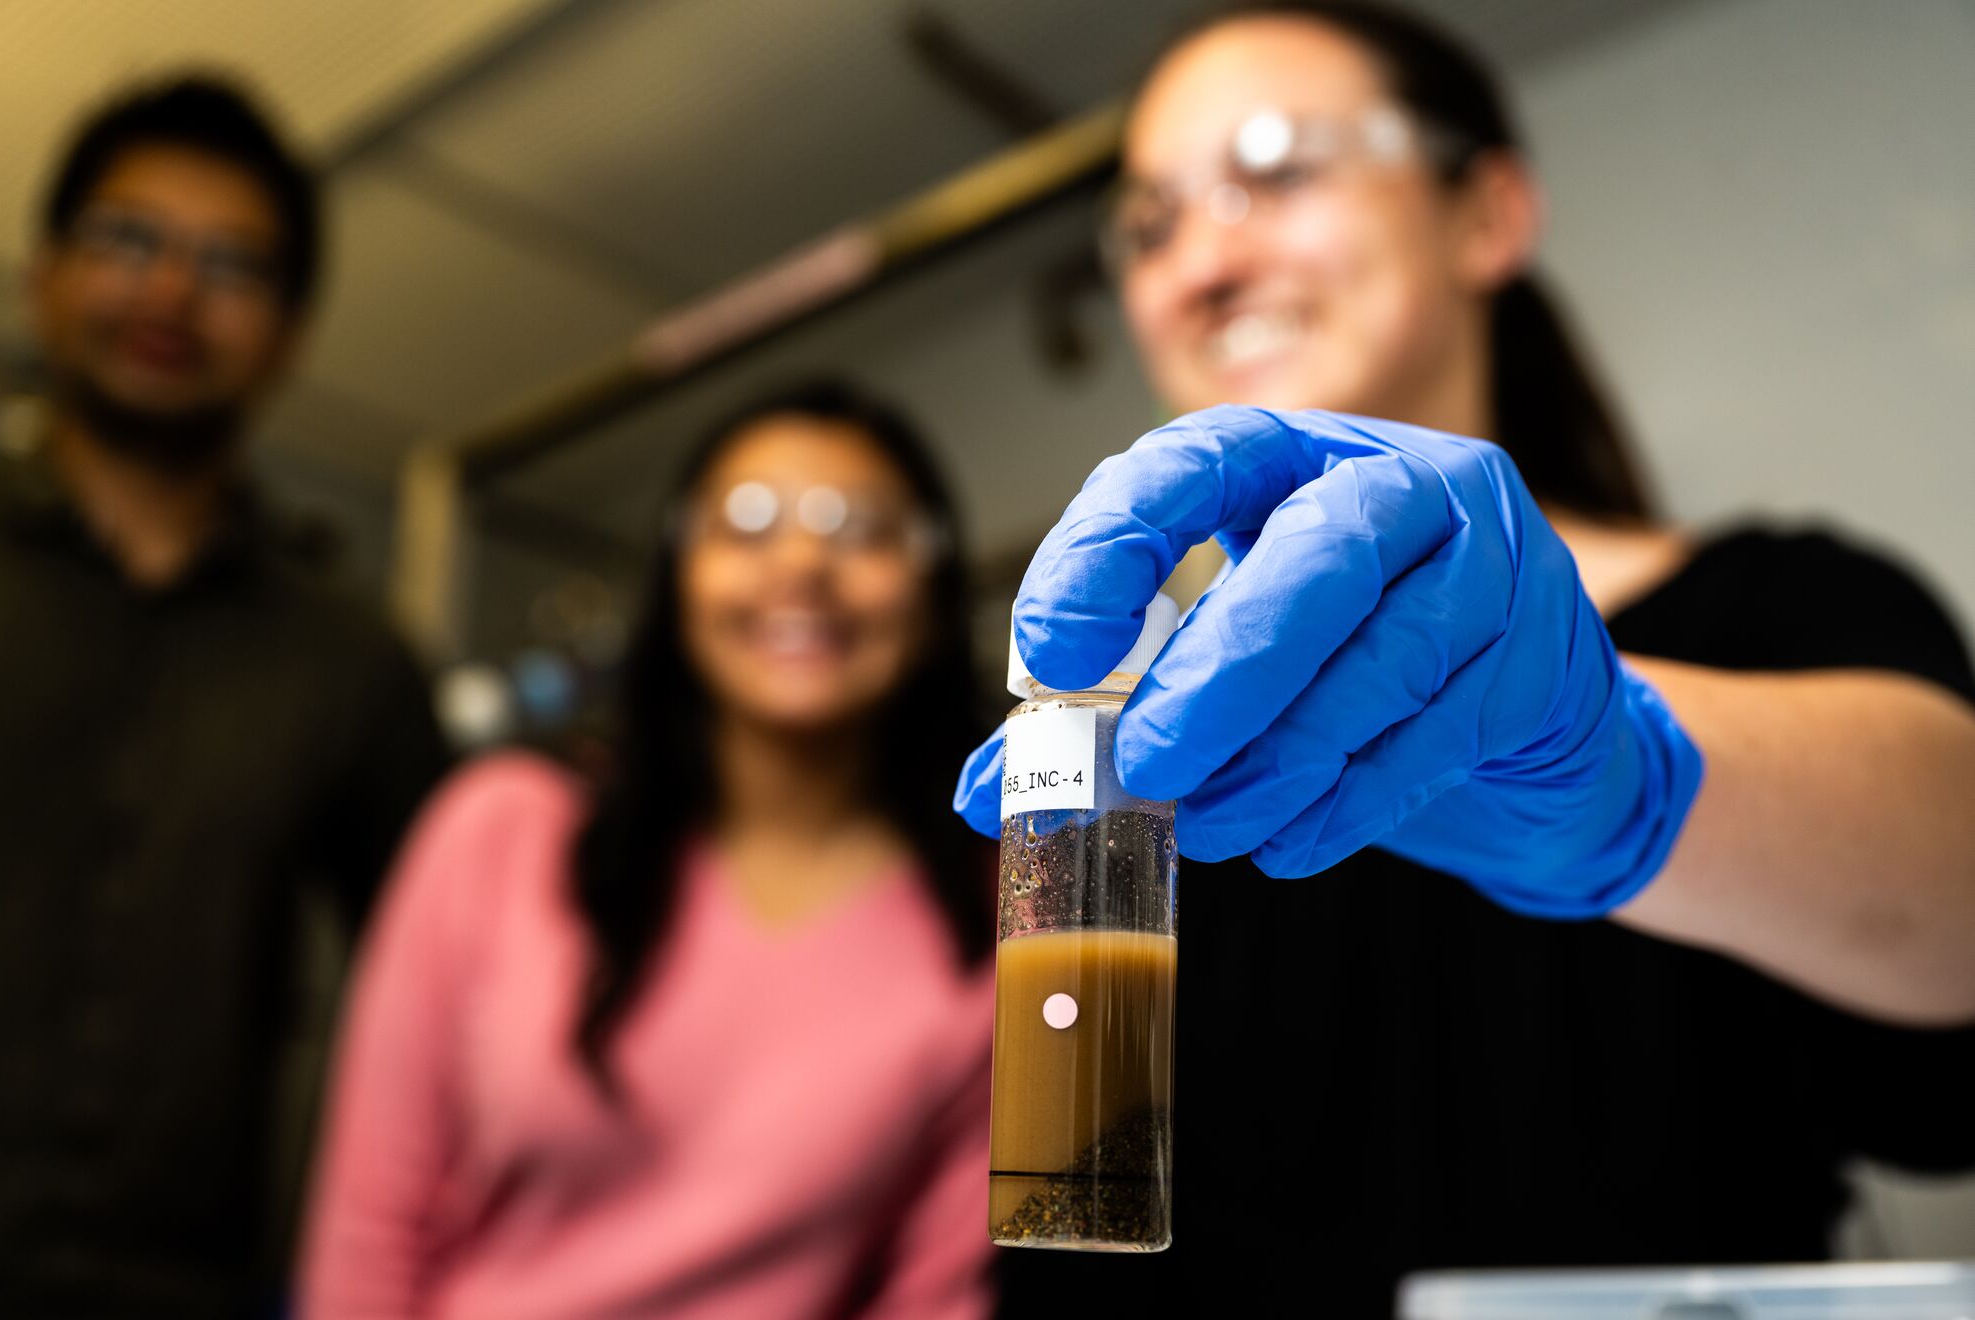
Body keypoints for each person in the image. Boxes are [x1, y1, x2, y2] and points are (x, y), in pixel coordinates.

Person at [949, 3, 1975, 1312]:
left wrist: (1621, 767)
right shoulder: (1134, 735)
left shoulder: (1781, 601)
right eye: (1150, 224)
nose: (1201, 261)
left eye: (1277, 171)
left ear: (1487, 212)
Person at [300, 381, 998, 1318]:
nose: (802, 564)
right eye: (749, 524)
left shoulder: (998, 922)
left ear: (932, 588)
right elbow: (370, 1234)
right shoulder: (499, 830)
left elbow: (936, 1296)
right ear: (679, 576)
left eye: (863, 529)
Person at [0, 77, 447, 1315]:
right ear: (43, 276)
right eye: (127, 239)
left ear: (290, 334)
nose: (170, 292)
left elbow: (458, 980)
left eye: (231, 265)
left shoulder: (349, 660)